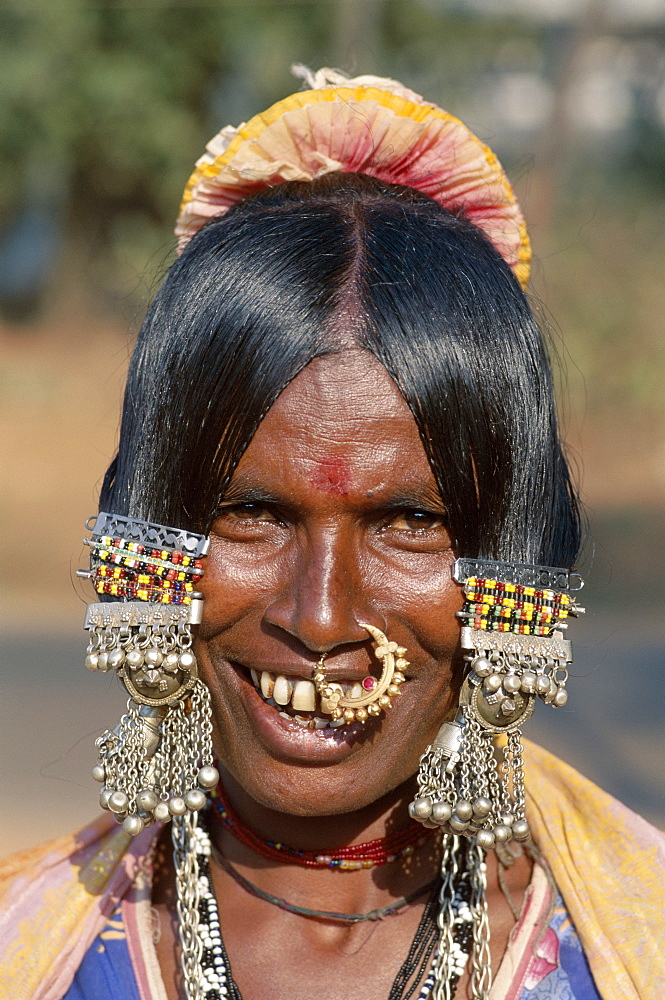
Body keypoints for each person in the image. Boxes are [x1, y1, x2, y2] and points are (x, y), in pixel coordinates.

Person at [0, 68, 662, 1000]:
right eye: (251, 514)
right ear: (151, 539)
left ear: (515, 559)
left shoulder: (636, 943)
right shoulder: (31, 952)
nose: (319, 621)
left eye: (410, 524)